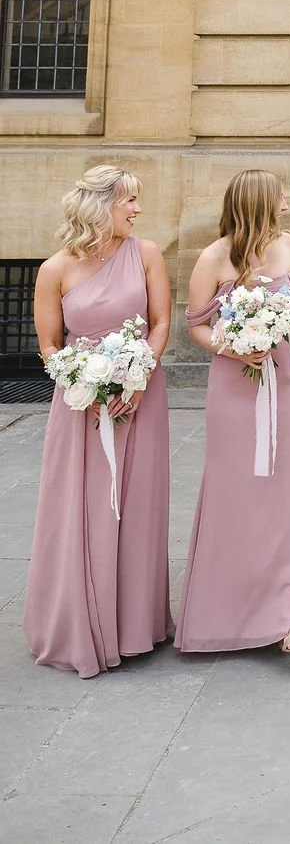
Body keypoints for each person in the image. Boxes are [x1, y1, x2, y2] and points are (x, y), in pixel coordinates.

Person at [24, 166, 173, 677]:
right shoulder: (54, 270)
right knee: (81, 509)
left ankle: (134, 626)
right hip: (81, 406)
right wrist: (82, 383)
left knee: (137, 505)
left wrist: (137, 378)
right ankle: (80, 621)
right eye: (129, 201)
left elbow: (160, 323)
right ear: (100, 206)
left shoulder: (147, 254)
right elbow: (49, 345)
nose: (137, 209)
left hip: (141, 398)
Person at [175, 170, 290, 655]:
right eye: (280, 198)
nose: (286, 204)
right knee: (235, 494)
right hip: (234, 387)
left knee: (281, 496)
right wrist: (232, 347)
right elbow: (196, 325)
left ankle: (285, 616)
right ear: (258, 203)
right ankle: (227, 609)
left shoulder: (287, 246)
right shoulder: (213, 258)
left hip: (283, 380)